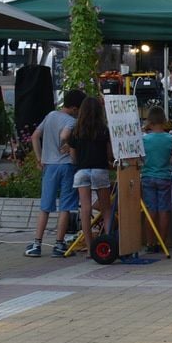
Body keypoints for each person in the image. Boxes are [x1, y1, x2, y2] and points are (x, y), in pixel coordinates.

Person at [26, 88, 84, 257]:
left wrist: (39, 158)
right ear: (74, 108)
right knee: (65, 206)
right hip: (67, 165)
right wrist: (68, 143)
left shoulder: (50, 115)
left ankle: (36, 244)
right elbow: (65, 135)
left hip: (49, 165)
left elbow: (35, 136)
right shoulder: (71, 122)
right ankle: (59, 244)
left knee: (45, 206)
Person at [63, 94, 114, 248]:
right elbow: (109, 154)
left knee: (85, 208)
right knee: (106, 209)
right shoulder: (103, 130)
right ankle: (108, 242)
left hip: (82, 171)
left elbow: (73, 157)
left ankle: (89, 246)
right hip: (100, 169)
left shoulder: (76, 131)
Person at [140, 106, 172, 252]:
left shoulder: (145, 139)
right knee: (164, 210)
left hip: (148, 176)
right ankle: (163, 241)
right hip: (164, 176)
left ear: (149, 121)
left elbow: (141, 158)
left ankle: (150, 242)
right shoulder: (170, 139)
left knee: (150, 210)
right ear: (164, 120)